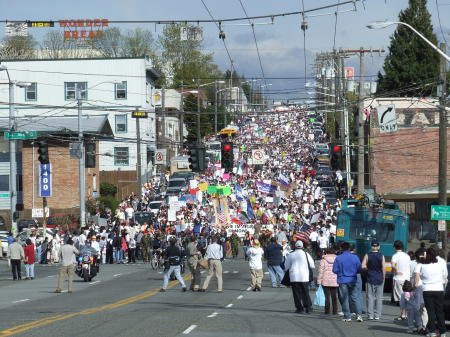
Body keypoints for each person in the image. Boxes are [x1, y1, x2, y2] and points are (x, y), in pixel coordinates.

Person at [414, 247, 447, 337]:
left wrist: (416, 284)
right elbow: (445, 275)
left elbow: (417, 276)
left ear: (427, 255)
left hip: (427, 289)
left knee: (430, 311)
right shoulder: (440, 264)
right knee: (440, 311)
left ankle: (432, 331)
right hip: (439, 289)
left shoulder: (422, 265)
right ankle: (443, 332)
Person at [332, 241, 362, 322]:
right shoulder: (355, 257)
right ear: (349, 248)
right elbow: (359, 269)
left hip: (342, 280)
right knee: (355, 297)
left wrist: (341, 272)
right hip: (353, 279)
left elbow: (334, 270)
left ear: (341, 248)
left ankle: (347, 316)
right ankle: (359, 315)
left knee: (344, 298)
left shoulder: (338, 258)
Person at [284, 240, 315, 314]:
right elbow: (312, 265)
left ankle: (299, 308)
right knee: (305, 292)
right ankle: (308, 307)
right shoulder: (306, 254)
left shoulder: (291, 255)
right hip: (304, 276)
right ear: (302, 246)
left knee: (296, 293)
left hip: (294, 276)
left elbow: (286, 267)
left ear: (295, 246)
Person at [361, 240, 385, 320]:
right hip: (379, 278)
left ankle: (370, 315)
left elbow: (363, 265)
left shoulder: (367, 255)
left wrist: (368, 269)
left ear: (371, 247)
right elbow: (383, 268)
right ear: (378, 247)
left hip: (370, 277)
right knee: (379, 297)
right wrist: (383, 277)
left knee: (370, 297)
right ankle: (377, 315)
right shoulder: (382, 256)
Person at [392, 240, 411, 320]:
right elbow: (410, 266)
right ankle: (406, 314)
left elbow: (392, 265)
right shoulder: (407, 256)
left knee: (401, 298)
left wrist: (396, 270)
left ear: (395, 247)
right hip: (407, 279)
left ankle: (403, 314)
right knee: (407, 297)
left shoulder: (395, 256)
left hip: (399, 279)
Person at [317, 247, 339, 315]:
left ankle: (327, 311)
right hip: (335, 280)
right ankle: (335, 311)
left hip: (325, 280)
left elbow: (321, 272)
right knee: (334, 296)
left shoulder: (323, 260)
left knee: (327, 297)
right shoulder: (337, 259)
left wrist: (319, 281)